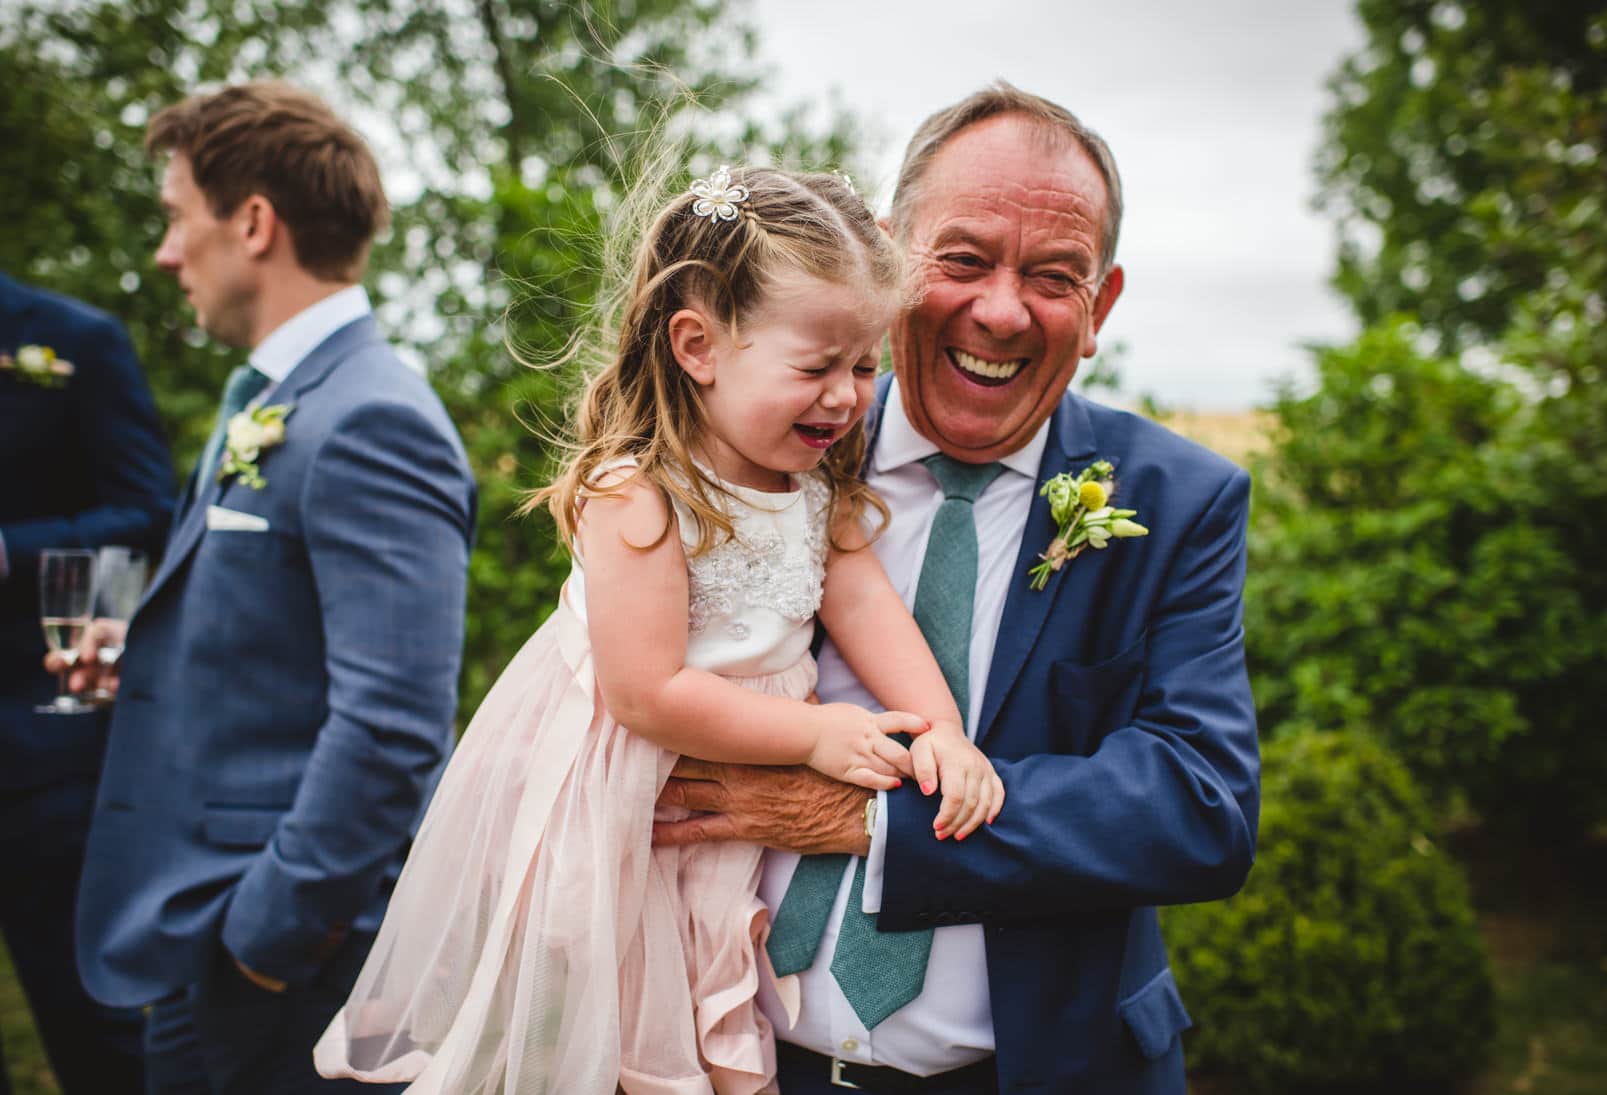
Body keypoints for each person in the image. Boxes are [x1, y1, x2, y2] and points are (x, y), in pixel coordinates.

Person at [313, 165, 1003, 1094]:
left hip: (731, 802)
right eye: (814, 367)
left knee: (712, 1003)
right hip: (635, 805)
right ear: (698, 344)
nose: (844, 398)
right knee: (625, 1035)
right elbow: (646, 694)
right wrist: (817, 734)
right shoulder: (638, 492)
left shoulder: (812, 488)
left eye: (864, 365)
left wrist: (942, 731)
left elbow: (869, 607)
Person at [653, 84, 1262, 1094]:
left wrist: (873, 819)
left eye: (1054, 276)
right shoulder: (757, 447)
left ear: (1099, 307)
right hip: (730, 1059)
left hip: (1030, 1070)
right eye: (964, 259)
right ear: (887, 264)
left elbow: (1198, 806)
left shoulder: (1176, 501)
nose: (999, 310)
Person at [53, 82, 476, 1095]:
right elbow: (285, 646)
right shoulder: (273, 396)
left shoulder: (372, 419)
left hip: (280, 968)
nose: (165, 252)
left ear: (252, 223)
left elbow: (393, 724)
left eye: (174, 217)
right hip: (202, 924)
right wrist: (145, 659)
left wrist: (262, 941)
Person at [1, 272, 171, 1092]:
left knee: (89, 1028)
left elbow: (145, 511)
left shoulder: (75, 338)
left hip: (42, 741)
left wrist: (8, 551)